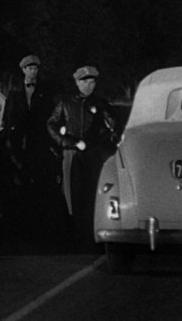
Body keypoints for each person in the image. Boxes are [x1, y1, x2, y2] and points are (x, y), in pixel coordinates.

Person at [46, 65, 116, 247]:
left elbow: (113, 126)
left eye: (92, 82)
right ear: (77, 83)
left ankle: (91, 233)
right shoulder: (65, 103)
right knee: (71, 192)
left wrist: (102, 139)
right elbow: (51, 125)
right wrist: (66, 142)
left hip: (93, 153)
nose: (89, 86)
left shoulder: (100, 104)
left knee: (93, 191)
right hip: (72, 153)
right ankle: (74, 231)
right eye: (85, 82)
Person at [2, 55, 58, 229]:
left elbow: (50, 116)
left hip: (39, 141)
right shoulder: (15, 92)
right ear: (24, 70)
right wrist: (10, 140)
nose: (33, 72)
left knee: (39, 177)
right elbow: (8, 117)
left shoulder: (45, 91)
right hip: (19, 141)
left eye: (35, 69)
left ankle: (38, 216)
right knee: (18, 176)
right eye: (30, 68)